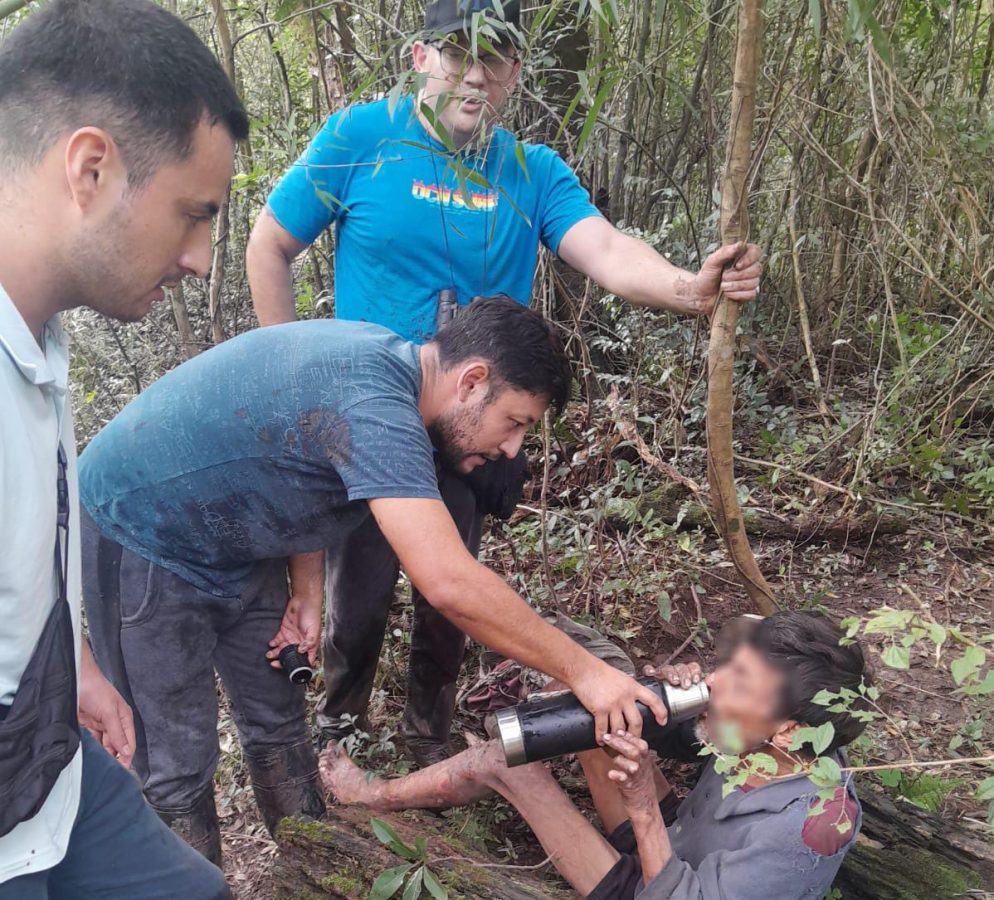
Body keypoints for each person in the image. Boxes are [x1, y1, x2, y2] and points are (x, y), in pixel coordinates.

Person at [246, 0, 764, 765]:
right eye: (458, 53)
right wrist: (289, 377)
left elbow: (610, 251)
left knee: (450, 597)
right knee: (357, 590)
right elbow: (268, 244)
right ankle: (339, 725)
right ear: (422, 56)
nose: (476, 74)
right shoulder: (362, 138)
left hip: (470, 425)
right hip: (371, 415)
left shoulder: (532, 171)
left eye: (496, 59)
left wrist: (692, 288)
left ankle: (428, 736)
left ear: (517, 73)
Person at [78, 296, 671, 866]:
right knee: (176, 765)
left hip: (239, 537)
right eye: (513, 422)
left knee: (278, 720)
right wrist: (586, 671)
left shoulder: (393, 386)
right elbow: (448, 581)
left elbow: (298, 468)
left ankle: (308, 870)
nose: (512, 447)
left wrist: (307, 591)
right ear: (471, 381)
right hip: (142, 533)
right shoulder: (376, 400)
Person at [0, 0, 246, 896]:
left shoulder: (40, 340)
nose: (200, 256)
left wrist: (83, 671)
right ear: (91, 167)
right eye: (192, 213)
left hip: (49, 758)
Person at [320, 611, 871, 900]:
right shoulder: (786, 739)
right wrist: (668, 703)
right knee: (601, 724)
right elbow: (682, 742)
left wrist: (644, 809)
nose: (716, 681)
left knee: (502, 766)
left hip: (663, 892)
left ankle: (370, 795)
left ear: (790, 727)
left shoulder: (815, 825)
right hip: (677, 844)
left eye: (740, 681)